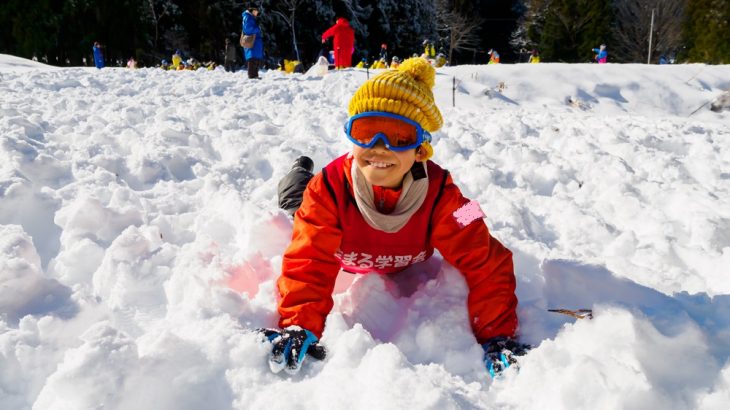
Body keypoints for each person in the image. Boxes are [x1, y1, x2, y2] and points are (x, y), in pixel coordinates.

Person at [261, 57, 526, 377]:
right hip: (323, 212)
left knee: (472, 214)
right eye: (366, 131)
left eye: (399, 137)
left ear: (420, 151)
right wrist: (299, 324)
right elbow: (308, 259)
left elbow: (487, 259)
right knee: (295, 200)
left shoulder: (445, 196)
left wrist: (497, 334)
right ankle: (298, 171)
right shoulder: (327, 189)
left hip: (419, 233)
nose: (379, 148)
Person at [242, 6, 264, 79]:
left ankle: (255, 75)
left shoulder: (250, 17)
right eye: (256, 11)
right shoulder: (248, 17)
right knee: (252, 59)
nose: (257, 12)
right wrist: (258, 29)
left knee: (255, 59)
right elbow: (247, 29)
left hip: (255, 42)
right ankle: (252, 76)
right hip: (252, 41)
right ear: (252, 10)